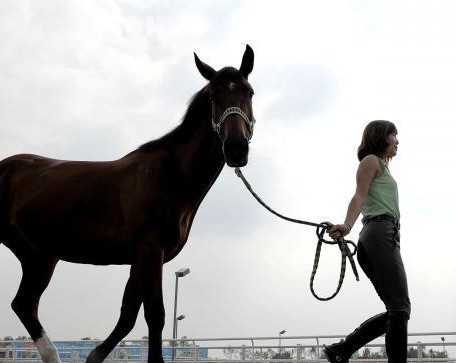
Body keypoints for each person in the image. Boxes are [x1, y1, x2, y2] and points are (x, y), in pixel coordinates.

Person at [324, 120, 410, 363]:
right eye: (394, 135)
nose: (397, 141)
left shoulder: (382, 165)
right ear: (382, 136)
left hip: (384, 235)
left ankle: (342, 349)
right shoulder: (371, 161)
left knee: (397, 310)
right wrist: (347, 225)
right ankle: (344, 348)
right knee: (400, 309)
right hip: (378, 233)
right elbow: (359, 195)